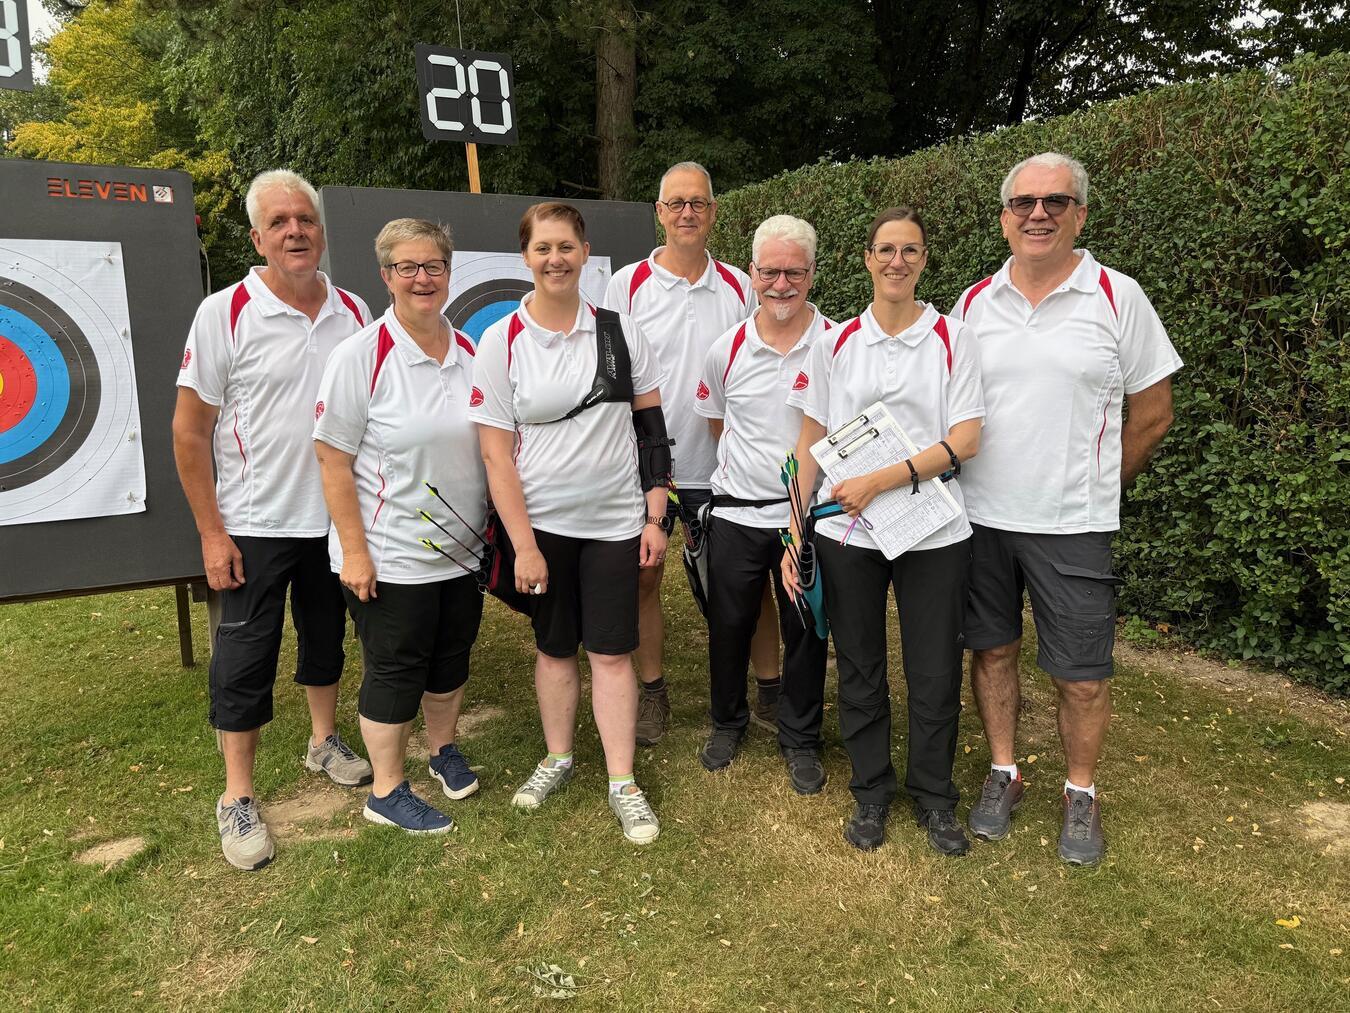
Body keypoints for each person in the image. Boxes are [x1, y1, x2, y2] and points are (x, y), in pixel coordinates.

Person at [953, 152, 1181, 865]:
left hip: (1074, 524)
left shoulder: (1118, 297)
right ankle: (1002, 771)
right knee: (991, 650)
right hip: (980, 516)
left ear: (1080, 213)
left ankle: (1079, 791)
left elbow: (1153, 412)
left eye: (1055, 201)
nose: (1038, 213)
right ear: (1003, 218)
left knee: (1081, 673)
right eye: (1023, 202)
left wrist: (1097, 487)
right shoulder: (972, 304)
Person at [174, 169, 373, 871]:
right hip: (254, 522)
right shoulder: (225, 312)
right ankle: (237, 794)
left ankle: (323, 741)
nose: (296, 231)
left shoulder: (354, 310)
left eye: (306, 220)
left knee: (326, 636)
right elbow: (190, 431)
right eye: (280, 222)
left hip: (332, 518)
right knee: (244, 655)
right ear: (257, 237)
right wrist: (210, 530)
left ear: (320, 231)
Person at [784, 207, 985, 856]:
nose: (897, 261)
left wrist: (884, 478)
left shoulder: (954, 337)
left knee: (933, 672)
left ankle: (934, 796)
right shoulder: (836, 342)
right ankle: (871, 792)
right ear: (867, 258)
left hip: (934, 531)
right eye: (885, 249)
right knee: (862, 668)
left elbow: (966, 439)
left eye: (910, 250)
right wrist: (795, 527)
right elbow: (811, 439)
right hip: (852, 535)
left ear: (925, 259)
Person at [470, 202, 669, 844]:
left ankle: (621, 781)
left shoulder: (619, 330)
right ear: (525, 257)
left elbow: (652, 430)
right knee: (555, 648)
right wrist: (523, 546)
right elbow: (496, 455)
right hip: (543, 527)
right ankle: (557, 757)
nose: (555, 259)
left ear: (585, 252)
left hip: (614, 522)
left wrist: (655, 515)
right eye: (542, 248)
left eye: (566, 246)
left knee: (612, 653)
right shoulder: (502, 341)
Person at [313, 218, 486, 835]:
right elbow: (332, 458)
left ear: (447, 272)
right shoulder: (360, 356)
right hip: (391, 554)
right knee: (395, 668)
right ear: (386, 276)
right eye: (407, 267)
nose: (422, 278)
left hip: (462, 553)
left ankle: (441, 750)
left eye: (433, 266)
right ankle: (386, 790)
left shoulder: (471, 352)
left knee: (450, 657)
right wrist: (355, 554)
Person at [604, 161, 778, 746]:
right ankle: (653, 692)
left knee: (749, 586)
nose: (687, 213)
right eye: (676, 203)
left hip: (720, 466)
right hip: (644, 468)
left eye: (698, 203)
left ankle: (769, 688)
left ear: (713, 211)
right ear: (659, 212)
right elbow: (612, 375)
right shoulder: (625, 285)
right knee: (644, 579)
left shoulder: (737, 285)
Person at [693, 215, 831, 793]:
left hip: (808, 519)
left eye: (793, 272)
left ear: (812, 274)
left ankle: (800, 736)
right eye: (769, 271)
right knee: (728, 624)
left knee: (806, 629)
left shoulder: (838, 344)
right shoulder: (725, 348)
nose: (781, 283)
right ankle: (728, 720)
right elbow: (717, 426)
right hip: (736, 514)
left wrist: (803, 512)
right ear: (751, 273)